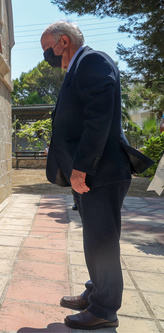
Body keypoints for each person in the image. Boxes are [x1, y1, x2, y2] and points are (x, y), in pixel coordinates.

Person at [40, 21, 154, 330]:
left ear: (64, 42)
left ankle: (104, 309)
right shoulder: (80, 68)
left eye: (47, 49)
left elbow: (99, 115)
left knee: (102, 239)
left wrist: (82, 167)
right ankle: (96, 293)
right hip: (95, 172)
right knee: (95, 237)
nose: (46, 57)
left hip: (99, 171)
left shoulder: (92, 60)